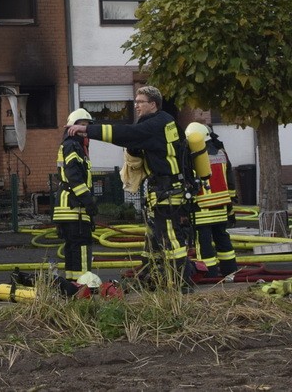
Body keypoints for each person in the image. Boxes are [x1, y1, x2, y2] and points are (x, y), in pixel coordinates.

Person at [68, 86, 193, 291]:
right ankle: (152, 278)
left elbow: (127, 133)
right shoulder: (166, 123)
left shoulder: (156, 124)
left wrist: (88, 129)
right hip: (164, 191)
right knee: (153, 239)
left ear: (153, 104)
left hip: (167, 192)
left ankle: (180, 284)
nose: (136, 106)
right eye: (135, 102)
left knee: (171, 240)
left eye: (140, 102)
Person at [187, 122, 238, 278]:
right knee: (223, 240)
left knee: (204, 244)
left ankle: (210, 275)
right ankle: (230, 272)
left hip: (201, 209)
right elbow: (230, 182)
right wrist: (230, 207)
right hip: (222, 207)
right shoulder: (222, 153)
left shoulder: (192, 157)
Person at [53, 108, 97, 282]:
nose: (85, 130)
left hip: (68, 207)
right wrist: (88, 201)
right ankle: (84, 284)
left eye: (87, 126)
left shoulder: (72, 145)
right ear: (73, 127)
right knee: (82, 246)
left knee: (72, 248)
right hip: (74, 207)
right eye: (82, 125)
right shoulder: (73, 145)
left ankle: (72, 284)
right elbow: (74, 178)